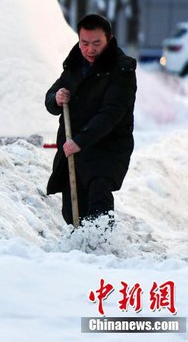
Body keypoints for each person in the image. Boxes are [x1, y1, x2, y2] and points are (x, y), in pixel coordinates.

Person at [45, 13, 137, 227]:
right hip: (73, 149)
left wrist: (80, 141)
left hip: (107, 148)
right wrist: (56, 98)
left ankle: (101, 250)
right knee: (72, 213)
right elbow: (51, 95)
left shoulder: (121, 69)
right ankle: (78, 253)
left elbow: (111, 113)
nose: (90, 49)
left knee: (98, 208)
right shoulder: (75, 65)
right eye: (84, 43)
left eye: (97, 43)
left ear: (109, 39)